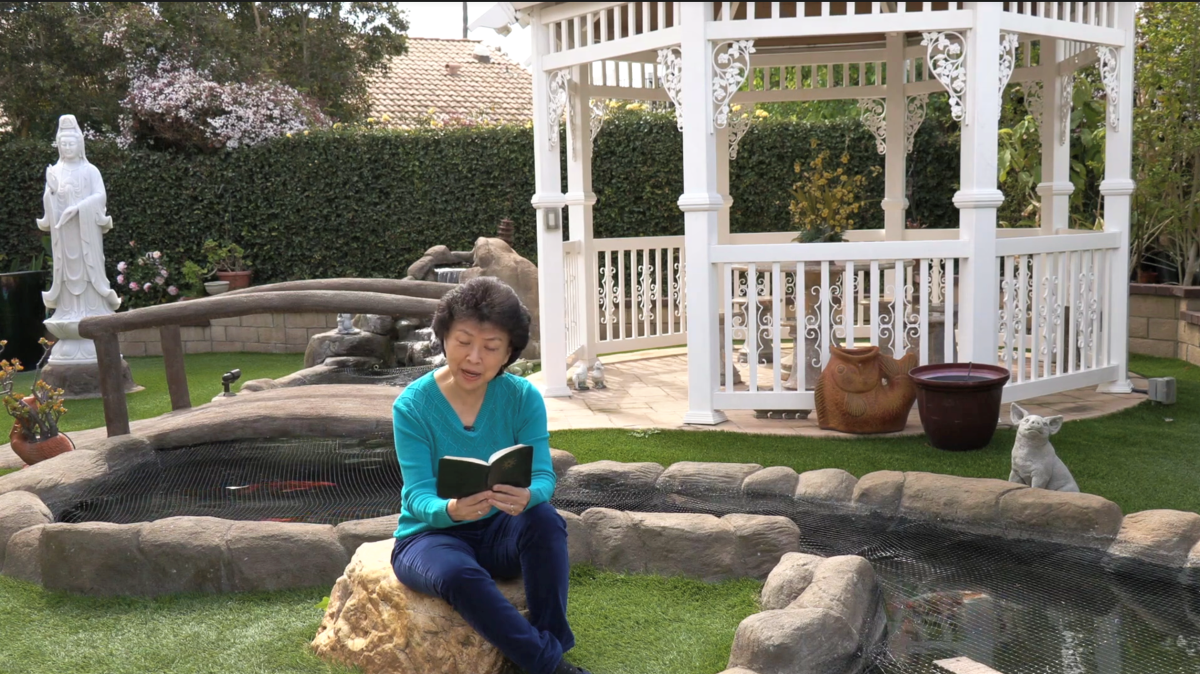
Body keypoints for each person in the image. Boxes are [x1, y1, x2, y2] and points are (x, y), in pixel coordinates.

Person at [391, 276, 590, 674]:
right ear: (443, 338)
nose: (474, 358)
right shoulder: (411, 406)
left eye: (491, 347)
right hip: (428, 539)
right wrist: (450, 508)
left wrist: (528, 496)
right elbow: (417, 496)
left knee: (547, 521)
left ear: (509, 353)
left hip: (501, 530)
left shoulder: (521, 397)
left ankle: (549, 639)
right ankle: (550, 664)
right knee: (457, 573)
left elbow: (543, 478)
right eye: (463, 342)